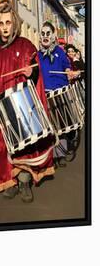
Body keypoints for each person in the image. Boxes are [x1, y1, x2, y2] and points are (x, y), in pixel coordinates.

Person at [0, 0, 54, 203]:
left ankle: (25, 181)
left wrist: (31, 72)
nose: (5, 28)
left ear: (14, 23)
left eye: (8, 23)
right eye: (1, 24)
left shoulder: (25, 45)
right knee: (4, 144)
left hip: (22, 105)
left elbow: (35, 71)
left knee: (24, 145)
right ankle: (12, 180)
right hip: (0, 107)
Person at [38, 22, 77, 167]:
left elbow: (67, 65)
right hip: (46, 94)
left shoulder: (60, 52)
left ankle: (59, 154)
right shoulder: (37, 54)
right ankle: (50, 156)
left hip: (60, 92)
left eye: (48, 33)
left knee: (61, 124)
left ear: (54, 36)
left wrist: (68, 71)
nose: (45, 36)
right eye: (43, 34)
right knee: (49, 126)